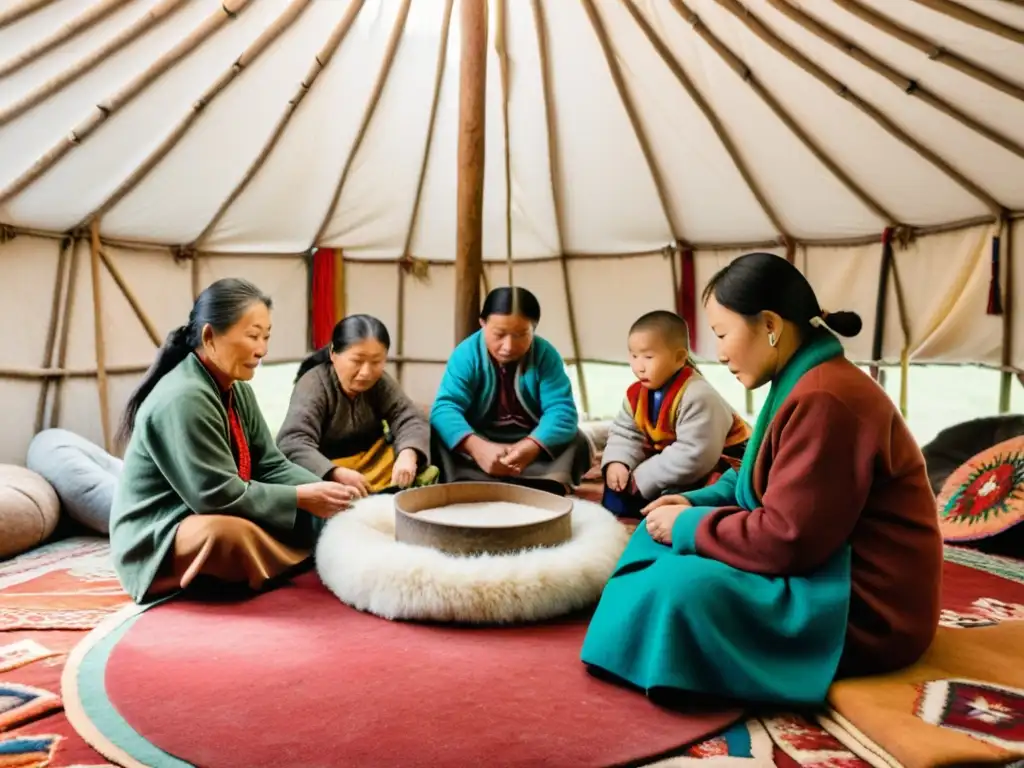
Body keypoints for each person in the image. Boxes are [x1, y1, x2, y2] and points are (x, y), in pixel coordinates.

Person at [580, 252, 942, 706]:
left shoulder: (826, 398)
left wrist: (691, 528)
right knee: (653, 541)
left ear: (769, 324)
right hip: (820, 563)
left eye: (722, 334)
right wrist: (690, 504)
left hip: (860, 606)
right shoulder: (801, 380)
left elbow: (788, 539)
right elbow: (751, 480)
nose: (719, 352)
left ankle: (669, 656)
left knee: (682, 587)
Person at [109, 278, 354, 605]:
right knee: (227, 536)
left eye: (266, 337)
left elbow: (271, 464)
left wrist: (329, 492)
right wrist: (300, 497)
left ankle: (281, 556)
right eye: (253, 336)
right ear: (210, 337)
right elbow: (215, 496)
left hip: (220, 506)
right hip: (161, 532)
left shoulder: (238, 390)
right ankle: (281, 558)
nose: (262, 350)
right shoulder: (183, 398)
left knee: (323, 514)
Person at [430, 286, 592, 496]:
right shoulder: (465, 354)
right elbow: (445, 408)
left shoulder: (545, 355)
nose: (508, 346)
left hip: (531, 447)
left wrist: (532, 446)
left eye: (520, 334)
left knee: (576, 439)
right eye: (499, 334)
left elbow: (562, 411)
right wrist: (477, 448)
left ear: (534, 328)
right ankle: (470, 480)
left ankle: (545, 483)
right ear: (483, 323)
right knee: (437, 434)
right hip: (478, 443)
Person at [600, 310, 750, 518]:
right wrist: (619, 462)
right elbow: (625, 432)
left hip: (719, 463)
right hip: (671, 461)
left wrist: (644, 476)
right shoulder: (636, 394)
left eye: (648, 357)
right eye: (634, 356)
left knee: (682, 500)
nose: (638, 366)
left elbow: (696, 453)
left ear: (680, 358)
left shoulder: (698, 395)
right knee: (616, 491)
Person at [276, 314, 438, 495]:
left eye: (376, 362)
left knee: (436, 432)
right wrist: (334, 473)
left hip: (376, 465)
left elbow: (408, 416)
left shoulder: (380, 382)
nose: (366, 372)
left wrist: (408, 454)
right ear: (333, 354)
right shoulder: (313, 384)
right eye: (357, 361)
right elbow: (293, 442)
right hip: (328, 470)